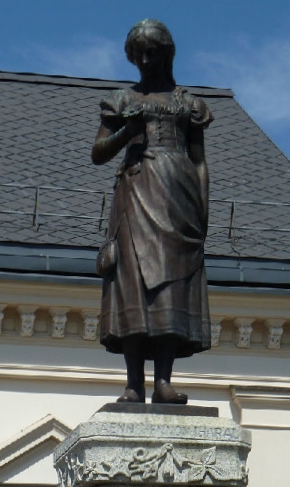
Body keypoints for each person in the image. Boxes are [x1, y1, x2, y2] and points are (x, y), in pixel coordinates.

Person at [92, 19, 213, 404]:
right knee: (134, 282)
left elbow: (199, 161)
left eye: (153, 52)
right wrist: (127, 133)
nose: (145, 60)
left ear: (167, 53)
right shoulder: (123, 100)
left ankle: (163, 380)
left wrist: (203, 207)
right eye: (139, 54)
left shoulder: (189, 105)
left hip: (179, 198)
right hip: (137, 193)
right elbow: (98, 153)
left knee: (170, 284)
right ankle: (133, 383)